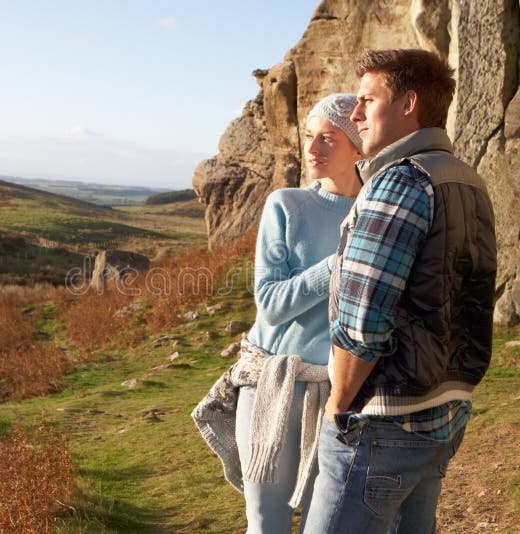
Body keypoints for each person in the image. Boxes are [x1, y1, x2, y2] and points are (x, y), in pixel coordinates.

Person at [304, 49, 497, 534]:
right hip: (442, 409)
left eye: (368, 100)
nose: (355, 114)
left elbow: (364, 320)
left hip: (382, 419)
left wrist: (339, 405)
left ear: (408, 103)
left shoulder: (400, 181)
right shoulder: (466, 179)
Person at [192, 93, 364, 533]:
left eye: (329, 139)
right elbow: (269, 302)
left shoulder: (374, 214)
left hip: (339, 390)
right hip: (272, 380)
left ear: (359, 145)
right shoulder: (286, 205)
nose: (312, 149)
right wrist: (336, 264)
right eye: (309, 136)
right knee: (266, 522)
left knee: (321, 522)